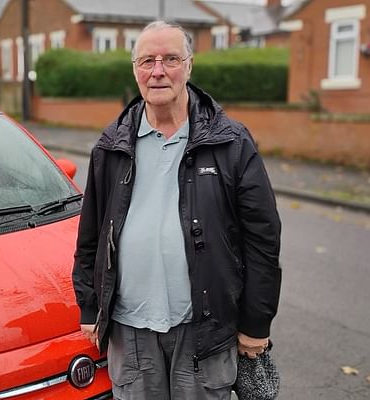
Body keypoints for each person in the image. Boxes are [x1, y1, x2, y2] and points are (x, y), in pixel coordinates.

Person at [72, 21, 282, 399]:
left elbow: (262, 239)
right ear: (135, 69)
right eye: (147, 60)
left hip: (205, 328)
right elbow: (92, 235)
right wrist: (90, 306)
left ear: (189, 66)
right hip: (129, 328)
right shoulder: (111, 145)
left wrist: (256, 322)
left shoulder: (230, 142)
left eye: (170, 58)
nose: (157, 71)